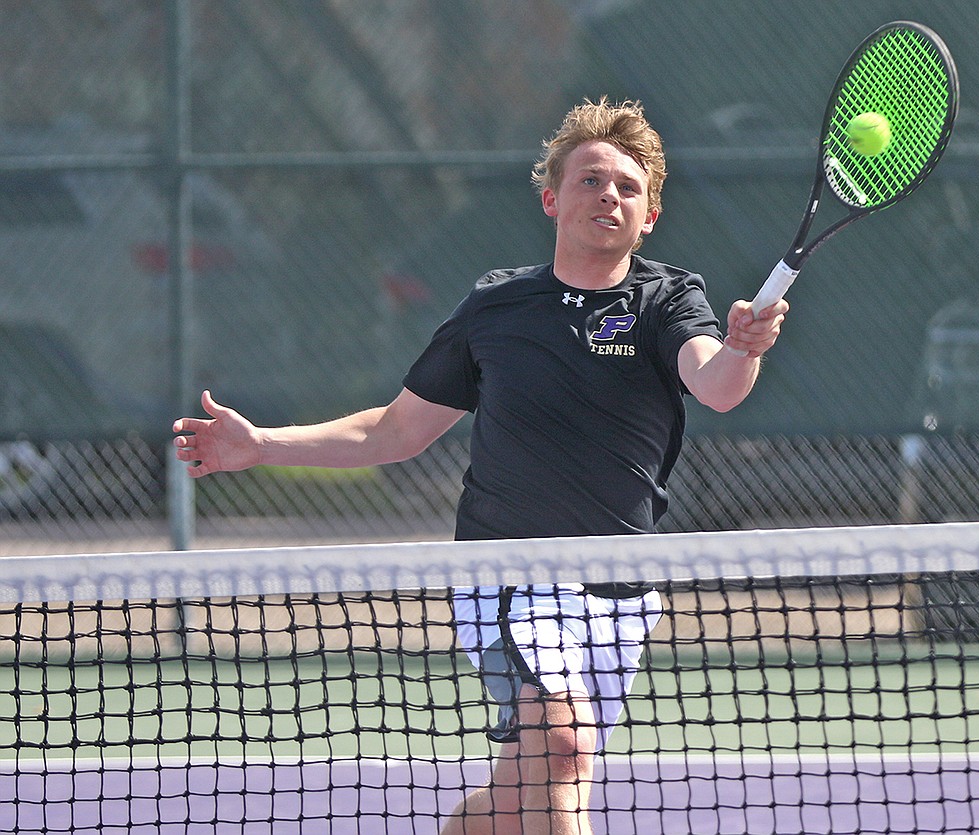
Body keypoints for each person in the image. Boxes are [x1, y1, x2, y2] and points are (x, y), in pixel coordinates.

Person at [172, 97, 785, 835]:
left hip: (623, 587)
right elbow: (393, 431)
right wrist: (263, 443)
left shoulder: (668, 299)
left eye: (628, 187)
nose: (610, 195)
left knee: (523, 793)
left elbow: (716, 385)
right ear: (553, 198)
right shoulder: (497, 306)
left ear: (649, 215)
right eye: (591, 180)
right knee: (562, 746)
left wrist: (744, 347)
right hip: (508, 574)